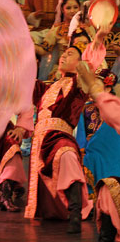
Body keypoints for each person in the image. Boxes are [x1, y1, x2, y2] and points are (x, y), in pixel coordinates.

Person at [24, 45, 94, 234]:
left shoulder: (78, 84)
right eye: (62, 53)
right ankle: (63, 210)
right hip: (40, 139)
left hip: (59, 134)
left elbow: (90, 65)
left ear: (79, 63)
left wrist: (98, 39)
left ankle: (75, 212)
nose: (63, 56)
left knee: (67, 155)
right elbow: (24, 81)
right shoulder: (47, 88)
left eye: (70, 54)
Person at [76, 64, 120, 241]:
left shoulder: (113, 107)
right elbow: (82, 134)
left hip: (110, 154)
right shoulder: (86, 109)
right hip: (92, 153)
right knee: (108, 190)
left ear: (108, 87)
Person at [35, 0, 81, 80]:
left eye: (75, 7)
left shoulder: (88, 28)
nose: (72, 11)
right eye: (68, 8)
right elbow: (44, 50)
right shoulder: (57, 28)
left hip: (81, 68)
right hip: (62, 69)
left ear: (80, 9)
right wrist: (28, 44)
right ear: (62, 10)